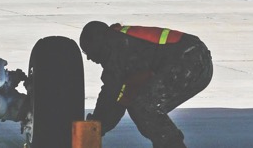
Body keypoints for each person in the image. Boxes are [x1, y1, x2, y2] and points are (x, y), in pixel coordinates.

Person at [79, 20, 213, 148]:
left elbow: (110, 95)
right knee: (139, 106)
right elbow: (117, 104)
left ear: (97, 44)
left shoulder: (117, 48)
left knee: (145, 106)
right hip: (196, 59)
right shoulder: (123, 49)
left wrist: (91, 131)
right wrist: (97, 128)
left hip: (191, 59)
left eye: (88, 51)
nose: (89, 58)